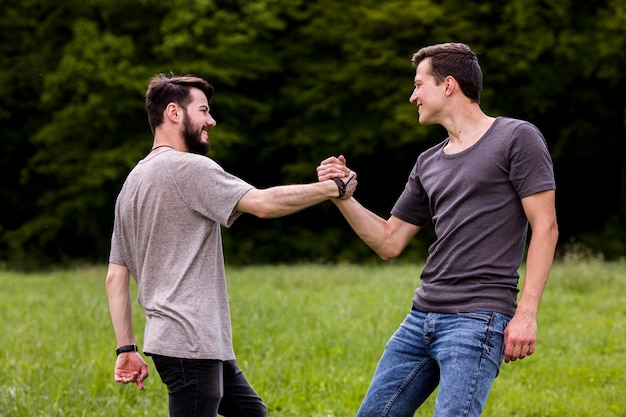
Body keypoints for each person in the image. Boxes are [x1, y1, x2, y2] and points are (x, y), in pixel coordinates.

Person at [317, 42, 558, 416]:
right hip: (421, 317)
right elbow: (388, 241)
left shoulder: (515, 137)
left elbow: (546, 226)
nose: (412, 96)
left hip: (478, 319)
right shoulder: (428, 161)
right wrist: (343, 197)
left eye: (418, 85)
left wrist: (526, 313)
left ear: (448, 85)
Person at [105, 73, 356, 417]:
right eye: (204, 110)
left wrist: (126, 347)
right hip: (189, 340)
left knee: (252, 412)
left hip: (192, 342)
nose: (212, 120)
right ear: (174, 113)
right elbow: (264, 204)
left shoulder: (133, 182)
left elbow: (114, 277)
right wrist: (332, 189)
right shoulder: (188, 167)